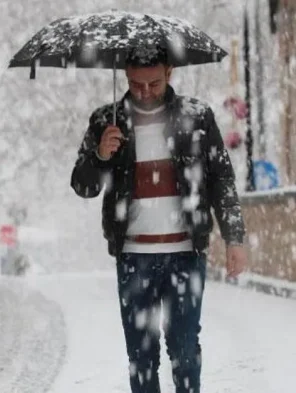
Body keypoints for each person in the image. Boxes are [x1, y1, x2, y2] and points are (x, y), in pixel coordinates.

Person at [70, 46, 248, 393]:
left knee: (184, 351)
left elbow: (221, 179)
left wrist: (235, 238)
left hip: (186, 253)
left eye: (153, 83)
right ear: (125, 76)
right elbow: (83, 185)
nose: (145, 92)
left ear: (169, 73)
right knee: (141, 356)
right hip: (134, 256)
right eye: (137, 85)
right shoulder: (107, 122)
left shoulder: (197, 118)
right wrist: (100, 155)